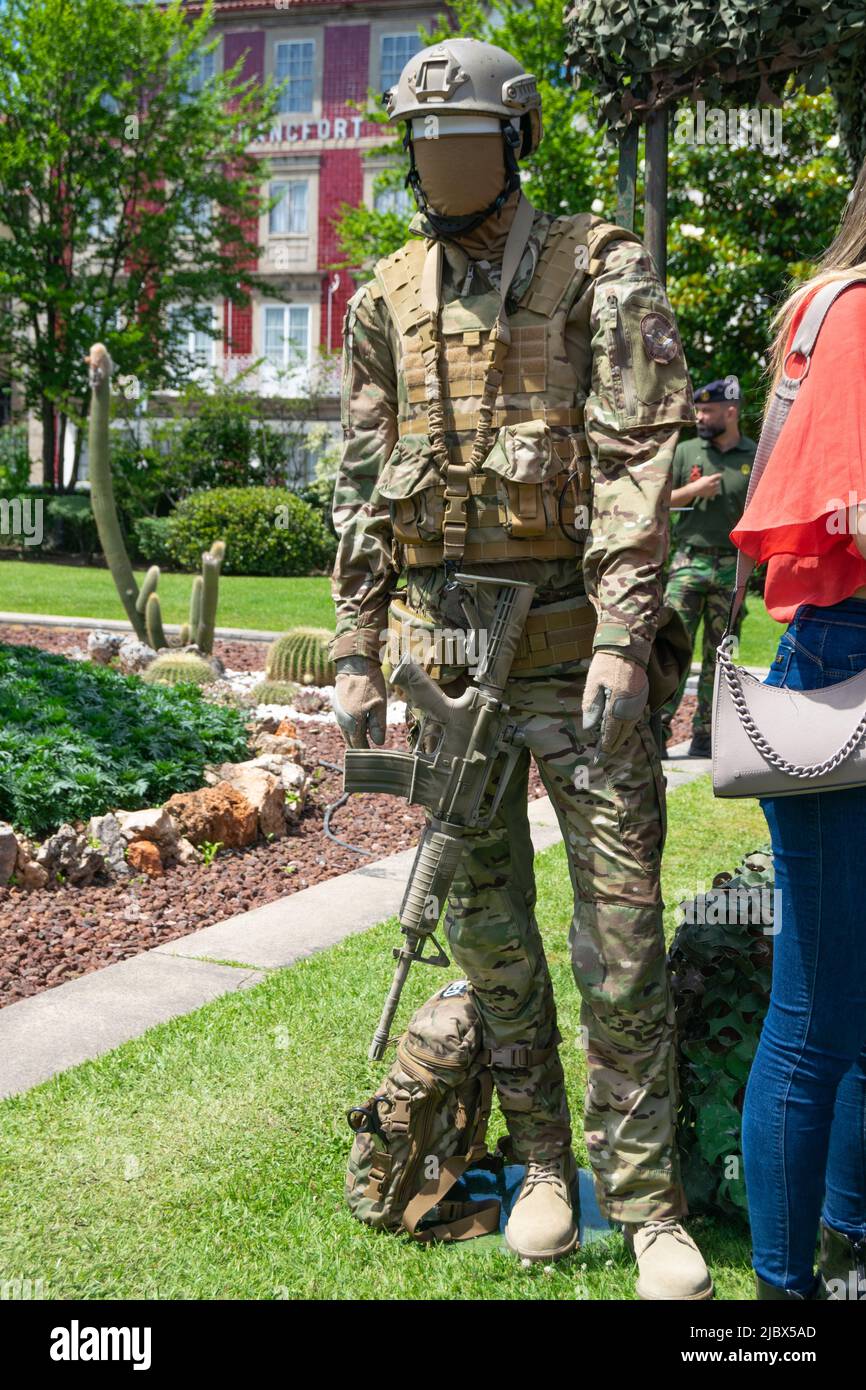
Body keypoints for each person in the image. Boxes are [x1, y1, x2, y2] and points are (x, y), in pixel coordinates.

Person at [329, 36, 711, 1299]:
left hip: (573, 646)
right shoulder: (382, 299)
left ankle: (647, 1203)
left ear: (513, 144)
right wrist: (353, 643)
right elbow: (358, 480)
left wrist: (618, 633)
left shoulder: (597, 272)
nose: (439, 165)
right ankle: (544, 1166)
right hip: (449, 654)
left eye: (462, 142)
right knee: (488, 933)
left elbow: (637, 458)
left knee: (620, 937)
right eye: (422, 146)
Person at [730, 160, 866, 1299]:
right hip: (844, 668)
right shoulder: (857, 313)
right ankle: (782, 1302)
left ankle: (845, 1250)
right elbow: (849, 509)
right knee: (817, 1015)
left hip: (838, 659)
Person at [660, 377, 755, 757]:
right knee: (671, 648)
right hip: (688, 562)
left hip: (732, 569)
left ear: (730, 411)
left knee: (722, 653)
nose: (699, 416)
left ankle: (707, 734)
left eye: (707, 410)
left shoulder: (753, 455)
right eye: (698, 409)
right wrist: (693, 491)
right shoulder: (685, 452)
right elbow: (658, 500)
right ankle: (658, 729)